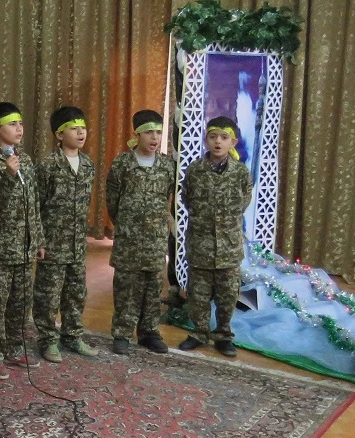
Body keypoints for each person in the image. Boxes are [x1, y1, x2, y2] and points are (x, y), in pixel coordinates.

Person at [0, 102, 44, 379]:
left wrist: (38, 239)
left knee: (20, 302)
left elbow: (33, 203)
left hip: (24, 246)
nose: (19, 129)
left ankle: (15, 347)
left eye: (20, 123)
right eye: (12, 124)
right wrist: (7, 175)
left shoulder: (25, 159)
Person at [179, 117, 253, 357]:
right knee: (198, 293)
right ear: (206, 140)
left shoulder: (240, 172)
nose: (218, 142)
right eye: (213, 137)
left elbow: (244, 200)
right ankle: (199, 332)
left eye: (223, 137)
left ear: (233, 142)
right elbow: (187, 198)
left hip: (228, 246)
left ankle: (223, 335)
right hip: (200, 243)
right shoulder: (195, 170)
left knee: (227, 295)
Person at [105, 109, 176, 355]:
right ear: (137, 134)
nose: (154, 138)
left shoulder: (167, 165)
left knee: (153, 287)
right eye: (148, 132)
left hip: (156, 240)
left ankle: (149, 333)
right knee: (126, 287)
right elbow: (112, 200)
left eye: (158, 132)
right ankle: (122, 333)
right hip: (129, 239)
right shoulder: (123, 164)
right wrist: (126, 224)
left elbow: (168, 197)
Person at [34, 106, 98, 362]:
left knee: (76, 293)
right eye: (74, 128)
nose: (81, 132)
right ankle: (48, 340)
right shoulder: (48, 166)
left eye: (83, 128)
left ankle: (72, 337)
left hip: (77, 244)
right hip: (53, 244)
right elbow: (36, 205)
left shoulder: (88, 165)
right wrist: (39, 240)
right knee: (48, 296)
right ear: (59, 135)